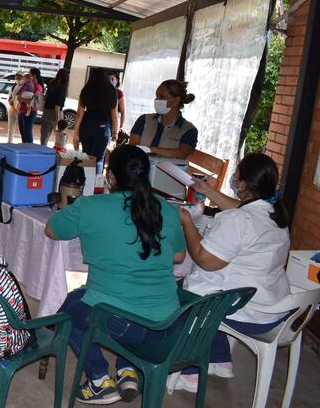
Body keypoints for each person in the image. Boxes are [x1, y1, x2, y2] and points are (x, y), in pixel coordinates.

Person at [45, 145, 186, 404]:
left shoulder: (91, 206)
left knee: (70, 310)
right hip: (167, 325)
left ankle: (99, 379)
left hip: (126, 326)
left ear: (111, 178)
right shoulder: (165, 208)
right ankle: (126, 370)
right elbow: (178, 257)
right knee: (111, 301)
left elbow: (52, 231)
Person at [174, 153, 290, 393]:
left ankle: (190, 373)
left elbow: (204, 260)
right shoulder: (273, 213)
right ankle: (219, 358)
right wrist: (206, 190)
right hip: (275, 309)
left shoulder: (239, 219)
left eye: (236, 177)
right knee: (209, 286)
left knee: (183, 293)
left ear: (245, 184)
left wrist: (186, 224)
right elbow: (240, 209)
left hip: (249, 314)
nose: (234, 180)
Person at [128, 79, 197, 159]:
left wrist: (151, 150)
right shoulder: (144, 120)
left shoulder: (188, 130)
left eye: (162, 96)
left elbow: (182, 153)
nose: (157, 100)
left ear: (176, 101)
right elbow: (133, 148)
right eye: (156, 96)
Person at [72, 69, 118, 174]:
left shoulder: (85, 91)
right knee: (99, 158)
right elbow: (114, 116)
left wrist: (75, 133)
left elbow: (79, 114)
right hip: (103, 128)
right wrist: (115, 132)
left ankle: (85, 181)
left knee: (86, 156)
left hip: (86, 126)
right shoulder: (112, 92)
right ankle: (95, 184)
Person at [40, 69, 68, 147]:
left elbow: (45, 99)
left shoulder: (51, 84)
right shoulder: (62, 88)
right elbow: (57, 105)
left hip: (46, 112)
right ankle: (57, 155)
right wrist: (57, 118)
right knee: (60, 137)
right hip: (56, 113)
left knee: (44, 137)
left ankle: (42, 153)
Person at [17, 68, 44, 144]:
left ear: (34, 75)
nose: (28, 75)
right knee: (22, 133)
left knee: (27, 133)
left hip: (30, 112)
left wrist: (22, 99)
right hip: (21, 111)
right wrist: (21, 98)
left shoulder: (38, 87)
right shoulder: (26, 84)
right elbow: (18, 96)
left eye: (29, 73)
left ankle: (28, 149)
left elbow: (33, 101)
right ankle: (24, 148)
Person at [108, 70, 127, 139]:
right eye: (108, 79)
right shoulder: (103, 91)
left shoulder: (119, 93)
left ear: (117, 80)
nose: (110, 81)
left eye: (112, 79)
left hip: (112, 123)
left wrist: (121, 127)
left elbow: (123, 112)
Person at [7, 73, 23, 143]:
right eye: (16, 79)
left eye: (19, 78)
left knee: (21, 128)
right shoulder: (13, 87)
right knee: (10, 127)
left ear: (23, 78)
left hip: (20, 110)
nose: (17, 80)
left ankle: (23, 142)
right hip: (12, 108)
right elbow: (10, 97)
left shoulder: (25, 87)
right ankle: (9, 142)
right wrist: (10, 101)